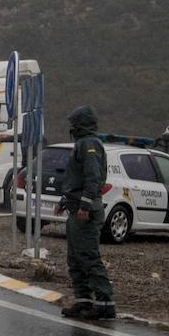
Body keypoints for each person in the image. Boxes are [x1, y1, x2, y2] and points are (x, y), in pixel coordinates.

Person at [57, 106, 116, 320]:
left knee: (89, 257)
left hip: (86, 213)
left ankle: (105, 304)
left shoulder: (90, 145)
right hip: (76, 209)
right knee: (75, 258)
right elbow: (77, 179)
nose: (71, 127)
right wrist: (65, 201)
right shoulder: (82, 144)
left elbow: (92, 178)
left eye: (74, 123)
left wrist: (84, 206)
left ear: (82, 124)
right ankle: (83, 301)